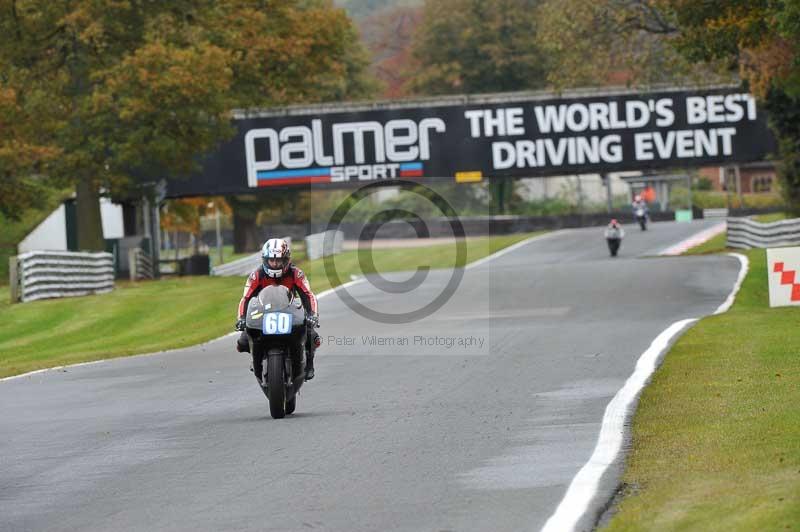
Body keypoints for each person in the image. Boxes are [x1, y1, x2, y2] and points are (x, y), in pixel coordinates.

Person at [235, 238, 321, 380]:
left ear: (286, 260)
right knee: (243, 341)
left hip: (290, 311)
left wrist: (313, 315)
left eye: (279, 260)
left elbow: (308, 295)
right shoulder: (256, 275)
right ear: (265, 260)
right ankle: (255, 357)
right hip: (263, 313)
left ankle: (309, 364)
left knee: (312, 336)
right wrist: (242, 318)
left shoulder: (296, 273)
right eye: (271, 260)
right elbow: (245, 298)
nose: (275, 264)